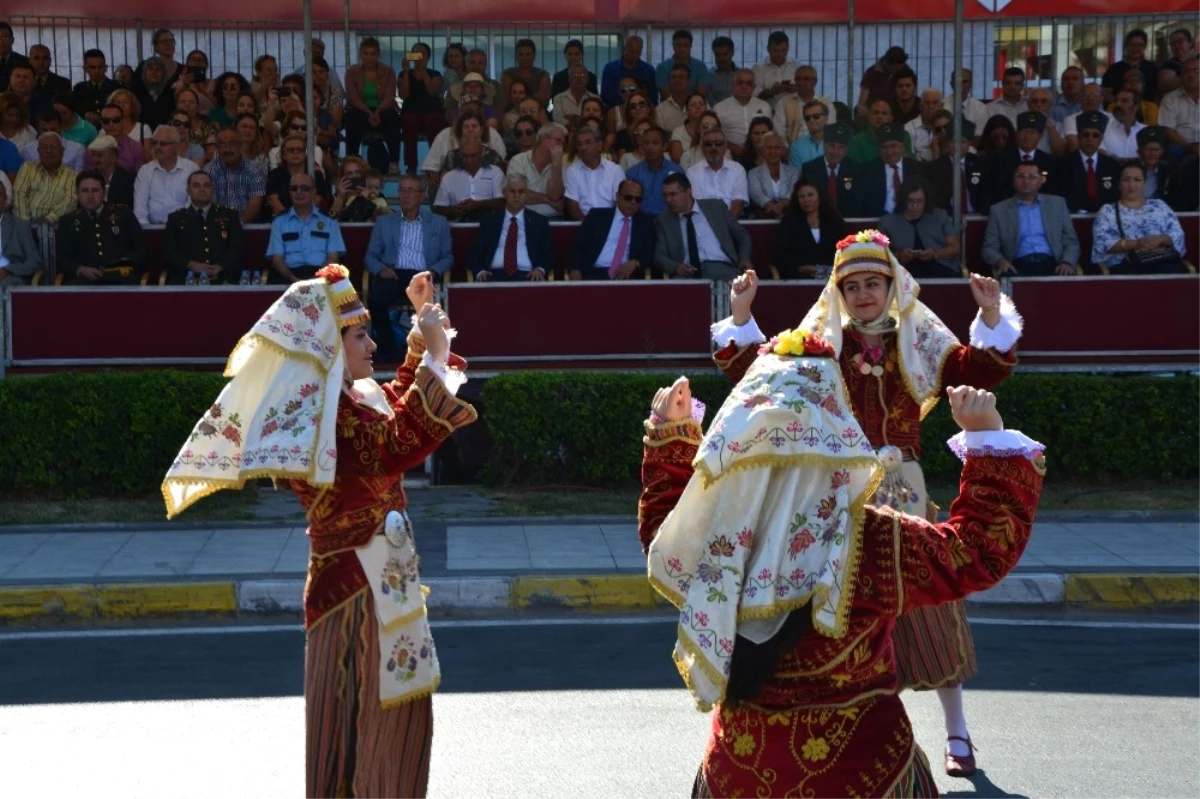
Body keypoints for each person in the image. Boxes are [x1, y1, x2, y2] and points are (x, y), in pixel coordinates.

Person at [639, 364, 1044, 797]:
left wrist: (672, 437)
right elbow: (975, 552)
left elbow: (665, 537)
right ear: (834, 434)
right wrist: (986, 439)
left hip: (739, 774)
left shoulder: (724, 533)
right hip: (863, 775)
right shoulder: (869, 537)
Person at [710, 230, 1026, 782]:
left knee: (935, 608)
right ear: (837, 292)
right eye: (851, 286)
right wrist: (741, 315)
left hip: (905, 488)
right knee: (845, 618)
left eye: (872, 283)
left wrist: (993, 313)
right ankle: (861, 720)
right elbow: (757, 378)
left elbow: (981, 372)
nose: (862, 295)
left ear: (892, 285)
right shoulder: (821, 346)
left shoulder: (919, 339)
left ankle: (957, 731)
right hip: (837, 496)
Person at [163, 267, 477, 799]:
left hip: (378, 582)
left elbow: (389, 413)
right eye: (360, 335)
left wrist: (424, 341)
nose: (372, 343)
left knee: (380, 728)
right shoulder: (325, 416)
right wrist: (437, 356)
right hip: (357, 592)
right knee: (375, 729)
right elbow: (393, 445)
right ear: (330, 344)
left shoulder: (342, 400)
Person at [364, 174, 454, 361]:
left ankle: (431, 350)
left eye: (411, 190)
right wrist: (381, 270)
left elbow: (448, 257)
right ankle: (389, 347)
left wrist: (433, 271)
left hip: (424, 275)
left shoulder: (438, 222)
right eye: (402, 190)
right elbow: (370, 256)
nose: (405, 195)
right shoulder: (384, 222)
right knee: (376, 299)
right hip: (393, 274)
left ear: (422, 196)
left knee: (429, 305)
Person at [982, 163, 1080, 277]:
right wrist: (1000, 261)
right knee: (1006, 277)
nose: (1026, 181)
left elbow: (1071, 242)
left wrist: (1066, 262)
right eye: (1021, 176)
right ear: (1014, 180)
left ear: (1040, 181)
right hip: (1017, 265)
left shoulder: (1057, 204)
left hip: (1053, 262)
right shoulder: (999, 210)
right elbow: (989, 248)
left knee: (1067, 275)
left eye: (1032, 177)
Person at [1091, 162, 1187, 275]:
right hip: (1125, 265)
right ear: (1118, 184)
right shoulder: (1107, 211)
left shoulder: (1159, 205)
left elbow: (1177, 234)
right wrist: (1138, 244)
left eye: (1137, 180)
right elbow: (1101, 243)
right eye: (1126, 180)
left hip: (1160, 261)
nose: (1132, 185)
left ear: (1145, 183)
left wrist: (1160, 239)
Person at [654, 172, 752, 280]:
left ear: (688, 192)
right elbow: (659, 255)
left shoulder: (715, 207)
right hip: (686, 273)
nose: (668, 200)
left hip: (721, 268)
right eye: (665, 195)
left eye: (673, 194)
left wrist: (744, 258)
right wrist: (676, 267)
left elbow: (742, 235)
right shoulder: (664, 221)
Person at [56, 169, 147, 284]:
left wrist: (125, 263)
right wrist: (81, 269)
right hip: (84, 280)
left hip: (121, 278)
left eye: (95, 190)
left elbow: (140, 248)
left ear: (104, 194)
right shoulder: (68, 221)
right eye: (84, 191)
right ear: (77, 195)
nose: (90, 196)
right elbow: (63, 257)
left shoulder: (123, 213)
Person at [469, 174, 554, 282]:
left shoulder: (539, 222)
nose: (517, 196)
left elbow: (549, 253)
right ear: (504, 193)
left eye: (521, 192)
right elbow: (475, 253)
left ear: (527, 194)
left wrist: (540, 269)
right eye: (512, 191)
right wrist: (480, 271)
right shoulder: (489, 221)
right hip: (493, 275)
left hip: (529, 275)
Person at [164, 170, 243, 284]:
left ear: (212, 190)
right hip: (186, 279)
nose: (202, 189)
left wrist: (221, 266)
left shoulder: (229, 216)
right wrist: (190, 264)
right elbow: (170, 251)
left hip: (223, 278)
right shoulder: (176, 218)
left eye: (206, 185)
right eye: (196, 185)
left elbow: (237, 247)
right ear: (188, 191)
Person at [265, 171, 345, 282]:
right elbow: (277, 260)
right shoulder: (279, 222)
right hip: (288, 276)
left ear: (314, 192)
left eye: (304, 188)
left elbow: (333, 258)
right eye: (294, 188)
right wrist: (293, 279)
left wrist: (316, 279)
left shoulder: (329, 221)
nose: (298, 192)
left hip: (322, 276)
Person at [569, 179, 655, 280]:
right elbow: (577, 246)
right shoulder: (597, 216)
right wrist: (575, 269)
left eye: (637, 199)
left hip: (627, 275)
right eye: (628, 197)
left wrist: (636, 262)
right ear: (617, 196)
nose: (633, 202)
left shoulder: (646, 223)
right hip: (594, 272)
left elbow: (650, 253)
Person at [878, 177, 961, 278]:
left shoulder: (940, 216)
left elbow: (955, 248)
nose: (915, 205)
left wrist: (935, 253)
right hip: (903, 271)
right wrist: (899, 255)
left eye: (920, 201)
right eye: (911, 201)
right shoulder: (887, 221)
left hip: (940, 267)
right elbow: (880, 254)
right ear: (903, 200)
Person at [345, 37, 401, 173]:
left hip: (383, 108)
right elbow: (353, 97)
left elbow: (389, 95)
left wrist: (377, 112)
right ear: (360, 54)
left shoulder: (388, 71)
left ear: (378, 54)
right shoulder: (352, 72)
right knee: (352, 117)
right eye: (366, 53)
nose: (369, 57)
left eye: (373, 53)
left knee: (392, 117)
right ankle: (351, 161)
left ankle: (394, 162)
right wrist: (368, 112)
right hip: (360, 109)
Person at [773, 177, 842, 279]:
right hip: (798, 278)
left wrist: (826, 269)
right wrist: (802, 268)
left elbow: (842, 251)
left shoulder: (834, 221)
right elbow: (782, 255)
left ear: (819, 196)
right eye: (802, 196)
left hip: (832, 277)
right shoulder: (788, 223)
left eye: (810, 195)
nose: (806, 200)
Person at [1055, 110, 1120, 214]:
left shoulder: (1112, 166)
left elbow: (1115, 196)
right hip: (1074, 218)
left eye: (1095, 135)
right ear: (1078, 138)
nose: (1090, 139)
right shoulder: (1063, 165)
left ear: (1101, 139)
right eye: (1086, 135)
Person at [398, 42, 446, 176]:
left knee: (433, 120)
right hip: (411, 112)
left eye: (423, 54)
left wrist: (423, 71)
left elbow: (433, 91)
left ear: (428, 57)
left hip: (431, 111)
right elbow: (404, 95)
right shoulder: (403, 74)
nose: (419, 57)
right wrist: (407, 71)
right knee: (409, 120)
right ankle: (411, 165)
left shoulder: (435, 73)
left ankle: (435, 163)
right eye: (416, 54)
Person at [800, 122, 863, 219]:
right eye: (832, 145)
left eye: (841, 147)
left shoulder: (856, 169)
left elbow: (858, 203)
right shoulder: (810, 169)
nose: (835, 152)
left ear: (846, 149)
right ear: (824, 145)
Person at [12, 132, 76, 224]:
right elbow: (19, 195)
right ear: (38, 151)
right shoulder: (27, 168)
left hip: (56, 226)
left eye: (53, 147)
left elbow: (70, 201)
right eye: (44, 147)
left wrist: (49, 219)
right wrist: (25, 223)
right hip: (26, 224)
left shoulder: (72, 175)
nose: (48, 151)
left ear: (62, 150)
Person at [564, 125, 624, 220]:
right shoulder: (572, 170)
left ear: (599, 145)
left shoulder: (615, 170)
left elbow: (619, 203)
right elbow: (573, 206)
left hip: (610, 222)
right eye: (579, 144)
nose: (583, 147)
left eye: (588, 143)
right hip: (583, 224)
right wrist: (589, 227)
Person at [686, 127, 749, 218]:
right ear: (702, 148)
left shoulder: (737, 169)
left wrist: (725, 227)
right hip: (703, 226)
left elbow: (738, 203)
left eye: (718, 143)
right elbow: (697, 205)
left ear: (725, 147)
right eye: (708, 144)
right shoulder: (693, 172)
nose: (713, 147)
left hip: (731, 224)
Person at [747, 131, 798, 219]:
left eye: (777, 147)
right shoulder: (753, 173)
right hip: (762, 218)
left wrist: (779, 207)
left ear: (782, 150)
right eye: (769, 148)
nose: (773, 151)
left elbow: (791, 194)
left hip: (790, 217)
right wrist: (772, 209)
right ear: (762, 151)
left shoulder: (795, 172)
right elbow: (758, 195)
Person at [0, 177, 41, 287]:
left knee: (5, 285)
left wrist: (8, 270)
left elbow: (34, 261)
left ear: (4, 199)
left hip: (9, 277)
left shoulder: (20, 226)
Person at [1102, 28, 1158, 103]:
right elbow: (1105, 94)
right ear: (1126, 46)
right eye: (1132, 44)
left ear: (1144, 47)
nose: (1135, 48)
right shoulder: (1114, 69)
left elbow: (1157, 94)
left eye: (1139, 45)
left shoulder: (1152, 68)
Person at [600, 35, 656, 109]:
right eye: (632, 51)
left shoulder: (649, 71)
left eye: (638, 52)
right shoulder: (610, 69)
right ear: (624, 49)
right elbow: (605, 96)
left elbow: (654, 98)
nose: (635, 55)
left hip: (641, 111)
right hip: (616, 112)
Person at [655, 29, 709, 101]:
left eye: (685, 45)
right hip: (669, 108)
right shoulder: (662, 68)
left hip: (695, 107)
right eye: (678, 45)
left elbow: (701, 95)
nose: (682, 48)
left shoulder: (701, 67)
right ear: (673, 46)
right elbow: (666, 96)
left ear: (690, 46)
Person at [85, 133, 136, 207]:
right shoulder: (88, 178)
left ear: (113, 157)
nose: (95, 159)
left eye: (99, 155)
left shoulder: (128, 179)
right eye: (93, 155)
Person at [501, 39, 552, 108]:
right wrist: (534, 96)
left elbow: (544, 101)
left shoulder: (543, 74)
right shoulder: (507, 74)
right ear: (516, 56)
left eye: (528, 54)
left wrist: (518, 97)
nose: (524, 58)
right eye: (521, 54)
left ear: (534, 56)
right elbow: (506, 100)